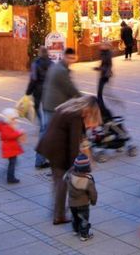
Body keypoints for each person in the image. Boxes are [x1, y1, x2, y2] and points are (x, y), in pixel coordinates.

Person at [36, 96, 101, 225]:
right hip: (58, 150)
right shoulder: (76, 116)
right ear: (89, 109)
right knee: (62, 182)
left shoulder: (70, 107)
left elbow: (79, 139)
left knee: (58, 181)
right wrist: (76, 167)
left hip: (50, 146)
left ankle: (57, 210)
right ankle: (59, 216)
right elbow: (74, 144)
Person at [38, 48, 80, 170]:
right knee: (48, 133)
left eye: (74, 58)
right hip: (53, 106)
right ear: (65, 57)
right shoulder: (61, 70)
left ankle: (42, 159)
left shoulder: (57, 67)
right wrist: (82, 98)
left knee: (46, 131)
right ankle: (44, 159)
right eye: (70, 58)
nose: (72, 61)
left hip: (49, 104)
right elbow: (70, 88)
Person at [27, 47, 52, 168]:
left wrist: (28, 91)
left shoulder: (35, 63)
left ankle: (41, 123)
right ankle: (43, 123)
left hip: (37, 90)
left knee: (37, 109)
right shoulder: (52, 63)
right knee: (46, 110)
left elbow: (33, 79)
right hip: (48, 92)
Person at [65, 153, 98, 241]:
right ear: (87, 168)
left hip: (72, 203)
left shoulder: (69, 175)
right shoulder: (88, 180)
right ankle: (84, 235)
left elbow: (64, 178)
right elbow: (93, 193)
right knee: (84, 219)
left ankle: (75, 230)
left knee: (74, 217)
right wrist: (93, 201)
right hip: (83, 203)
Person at [0, 108, 25, 184]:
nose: (15, 120)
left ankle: (8, 174)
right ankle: (10, 178)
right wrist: (19, 132)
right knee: (13, 163)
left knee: (13, 162)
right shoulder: (6, 127)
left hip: (10, 148)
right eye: (14, 119)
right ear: (8, 119)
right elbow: (9, 136)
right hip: (10, 149)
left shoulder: (5, 124)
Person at [94, 42, 113, 118]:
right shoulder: (104, 53)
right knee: (100, 93)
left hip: (105, 75)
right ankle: (102, 109)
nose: (101, 46)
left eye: (103, 45)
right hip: (104, 74)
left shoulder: (107, 54)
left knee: (99, 94)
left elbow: (107, 65)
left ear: (107, 46)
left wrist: (99, 68)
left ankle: (103, 111)